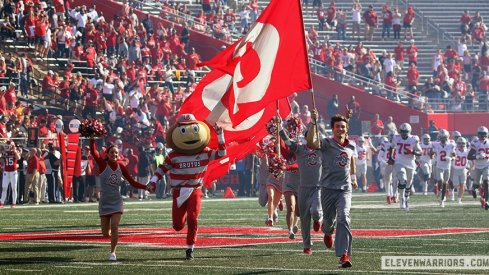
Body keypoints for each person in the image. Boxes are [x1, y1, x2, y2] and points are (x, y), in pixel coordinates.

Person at [148, 114, 226, 260]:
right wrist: (152, 181)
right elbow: (162, 169)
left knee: (193, 218)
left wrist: (220, 136)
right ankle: (183, 229)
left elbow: (222, 153)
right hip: (178, 191)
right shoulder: (173, 155)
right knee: (177, 225)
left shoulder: (205, 152)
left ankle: (190, 247)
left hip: (195, 190)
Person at [306, 108, 357, 268]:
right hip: (328, 189)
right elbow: (311, 143)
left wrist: (354, 178)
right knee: (329, 222)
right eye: (337, 127)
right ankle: (327, 231)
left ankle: (344, 255)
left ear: (346, 128)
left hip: (345, 189)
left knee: (344, 217)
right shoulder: (326, 143)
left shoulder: (352, 146)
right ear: (332, 129)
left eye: (343, 126)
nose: (340, 129)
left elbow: (352, 160)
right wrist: (313, 121)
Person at [90, 138, 154, 261]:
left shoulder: (121, 166)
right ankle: (112, 237)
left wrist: (146, 187)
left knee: (114, 226)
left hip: (116, 201)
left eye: (116, 152)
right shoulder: (103, 165)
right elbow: (93, 152)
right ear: (107, 155)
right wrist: (92, 137)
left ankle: (113, 252)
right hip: (104, 202)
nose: (114, 154)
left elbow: (132, 182)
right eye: (112, 152)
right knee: (105, 233)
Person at [279, 124, 322, 254]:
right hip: (303, 188)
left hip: (317, 188)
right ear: (306, 137)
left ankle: (317, 219)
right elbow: (287, 142)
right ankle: (307, 245)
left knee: (316, 211)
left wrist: (315, 120)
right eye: (310, 135)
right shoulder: (300, 149)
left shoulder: (322, 149)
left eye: (315, 135)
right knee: (304, 218)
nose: (314, 137)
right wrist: (280, 128)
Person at [388, 123, 421, 211]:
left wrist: (413, 152)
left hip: (410, 163)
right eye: (402, 131)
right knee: (402, 179)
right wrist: (390, 157)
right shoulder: (396, 138)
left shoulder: (413, 139)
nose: (403, 133)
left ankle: (406, 199)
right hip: (399, 161)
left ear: (409, 132)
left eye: (405, 132)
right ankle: (402, 199)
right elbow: (391, 147)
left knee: (408, 183)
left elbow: (420, 152)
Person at [432, 129, 455, 207]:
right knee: (440, 180)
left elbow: (454, 155)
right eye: (441, 137)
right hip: (439, 166)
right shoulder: (436, 144)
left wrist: (451, 158)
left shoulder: (451, 144)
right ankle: (440, 191)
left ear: (447, 137)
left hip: (447, 167)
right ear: (439, 137)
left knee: (445, 183)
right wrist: (432, 157)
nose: (443, 139)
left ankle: (442, 199)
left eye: (444, 137)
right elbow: (432, 153)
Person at [468, 126, 489, 210]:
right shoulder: (475, 143)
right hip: (477, 166)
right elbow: (469, 156)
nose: (483, 136)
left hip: (487, 165)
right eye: (481, 134)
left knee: (486, 182)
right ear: (478, 134)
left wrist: (486, 156)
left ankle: (486, 201)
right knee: (476, 184)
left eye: (484, 134)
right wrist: (477, 157)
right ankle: (473, 188)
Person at [0, 142, 20, 208]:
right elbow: (1, 158)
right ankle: (2, 203)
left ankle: (14, 203)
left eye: (8, 145)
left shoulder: (14, 152)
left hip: (13, 172)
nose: (7, 146)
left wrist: (14, 151)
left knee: (14, 188)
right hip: (6, 171)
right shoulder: (5, 152)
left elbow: (18, 158)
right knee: (4, 187)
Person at [452, 137, 469, 204]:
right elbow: (452, 155)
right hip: (455, 169)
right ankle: (451, 192)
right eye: (459, 143)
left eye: (463, 143)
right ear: (457, 144)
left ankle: (459, 199)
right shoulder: (454, 150)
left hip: (463, 169)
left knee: (463, 185)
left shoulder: (467, 151)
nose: (461, 145)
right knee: (456, 185)